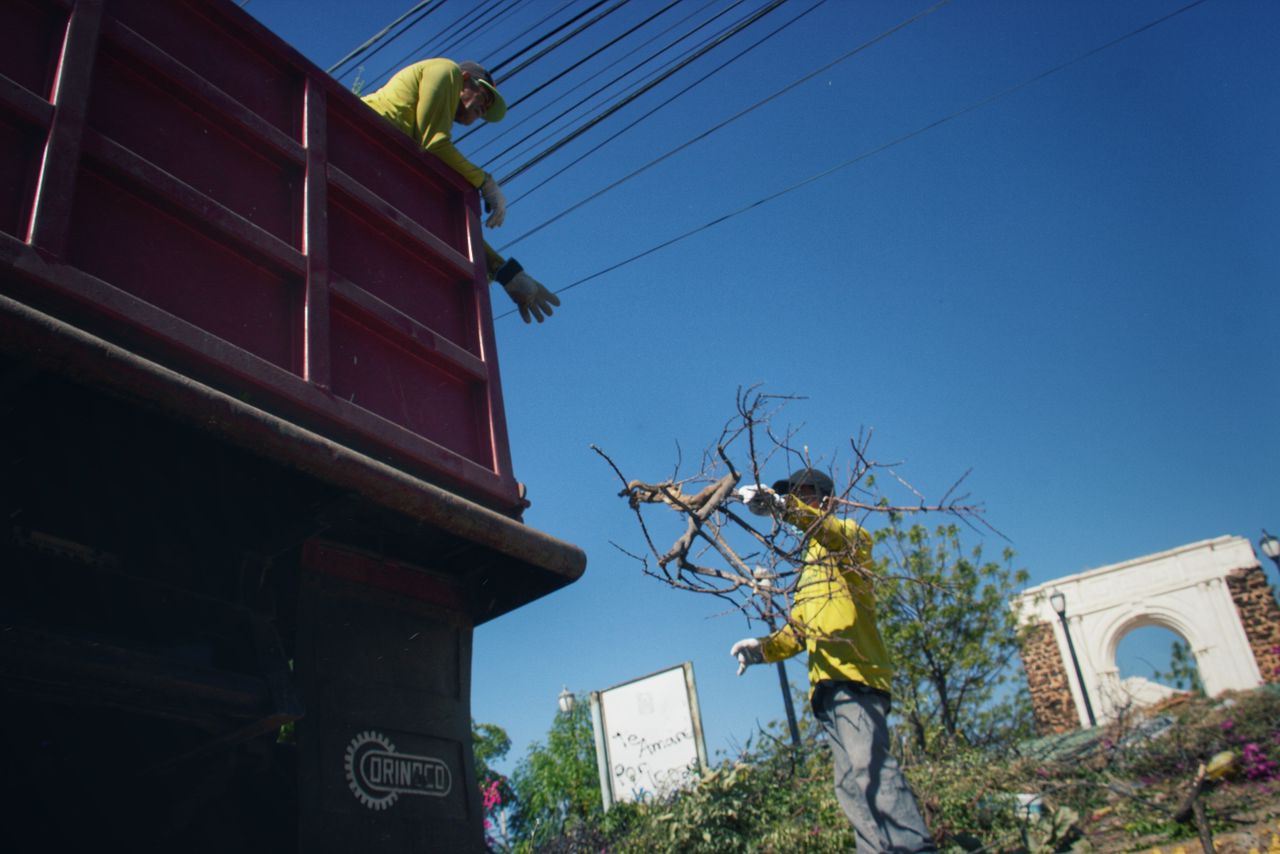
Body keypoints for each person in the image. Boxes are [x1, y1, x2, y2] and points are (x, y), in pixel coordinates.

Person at [733, 469, 935, 853]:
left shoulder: (849, 537)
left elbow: (829, 532)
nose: (796, 501)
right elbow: (799, 630)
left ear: (828, 501)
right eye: (790, 496)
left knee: (870, 769)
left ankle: (914, 848)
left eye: (803, 495)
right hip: (826, 689)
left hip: (855, 677)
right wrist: (761, 651)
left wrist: (782, 507)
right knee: (849, 786)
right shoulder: (810, 564)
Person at [361, 58, 560, 324]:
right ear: (465, 78)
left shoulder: (416, 144)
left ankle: (503, 272)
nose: (483, 108)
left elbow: (447, 220)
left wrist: (507, 273)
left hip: (382, 162)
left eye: (487, 109)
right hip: (362, 131)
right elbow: (435, 144)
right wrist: (486, 182)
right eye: (485, 96)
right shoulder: (446, 70)